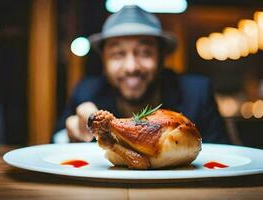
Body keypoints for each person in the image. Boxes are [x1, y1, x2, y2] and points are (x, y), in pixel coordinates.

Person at [54, 5, 230, 144]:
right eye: (118, 54)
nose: (131, 67)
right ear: (104, 60)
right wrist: (70, 136)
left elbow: (224, 156)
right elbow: (54, 142)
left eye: (145, 52)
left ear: (161, 58)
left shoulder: (197, 92)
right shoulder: (86, 91)